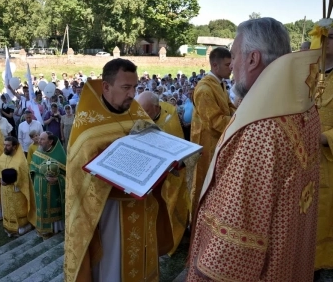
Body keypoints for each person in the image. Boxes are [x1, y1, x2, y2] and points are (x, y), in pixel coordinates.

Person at [187, 18, 321, 282]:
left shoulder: (261, 130)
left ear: (253, 59)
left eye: (235, 56)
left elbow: (235, 232)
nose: (232, 64)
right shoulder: (305, 109)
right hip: (290, 257)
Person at [65, 58, 174, 281]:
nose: (133, 94)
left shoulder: (135, 111)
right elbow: (80, 176)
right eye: (126, 87)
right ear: (106, 87)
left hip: (143, 205)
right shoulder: (88, 124)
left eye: (135, 87)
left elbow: (155, 141)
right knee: (115, 268)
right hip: (111, 213)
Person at [136, 91, 190, 255]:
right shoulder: (142, 117)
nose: (143, 115)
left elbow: (177, 143)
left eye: (146, 111)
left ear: (156, 107)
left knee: (174, 203)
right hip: (151, 172)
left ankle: (176, 238)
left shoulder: (170, 114)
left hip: (173, 171)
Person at [190, 47, 237, 215]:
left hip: (218, 142)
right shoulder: (205, 89)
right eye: (227, 64)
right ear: (215, 66)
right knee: (205, 184)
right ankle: (198, 225)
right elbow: (215, 121)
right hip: (207, 145)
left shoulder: (220, 83)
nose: (231, 67)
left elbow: (230, 107)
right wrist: (240, 122)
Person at [313, 27, 333, 274]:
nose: (326, 42)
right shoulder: (307, 74)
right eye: (324, 37)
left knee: (325, 211)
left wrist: (325, 138)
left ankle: (320, 261)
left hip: (328, 159)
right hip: (302, 157)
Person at [0, 136, 36, 237]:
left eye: (8, 145)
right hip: (5, 190)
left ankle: (21, 227)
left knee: (17, 209)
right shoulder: (3, 156)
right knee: (7, 208)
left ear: (14, 146)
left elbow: (24, 178)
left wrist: (12, 182)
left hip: (17, 191)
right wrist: (0, 179)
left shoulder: (20, 160)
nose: (5, 147)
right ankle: (9, 227)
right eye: (4, 145)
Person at [30, 131, 65, 239]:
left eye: (42, 139)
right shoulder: (37, 153)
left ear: (50, 141)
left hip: (54, 192)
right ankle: (44, 230)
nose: (38, 141)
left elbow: (68, 176)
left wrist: (58, 179)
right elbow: (32, 169)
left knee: (53, 211)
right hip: (39, 191)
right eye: (39, 138)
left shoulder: (60, 156)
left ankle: (57, 230)